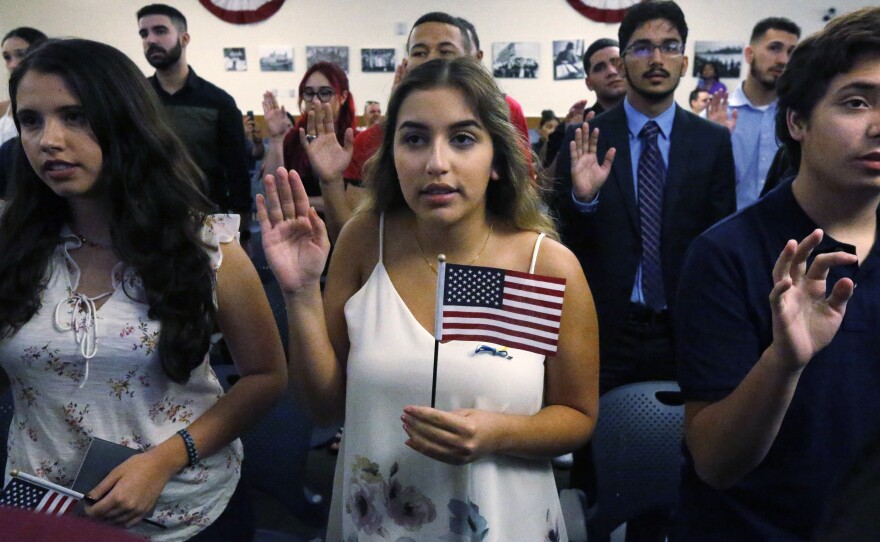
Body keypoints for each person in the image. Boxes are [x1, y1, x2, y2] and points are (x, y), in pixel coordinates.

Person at [259, 57, 598, 541]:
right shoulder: (363, 240)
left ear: (498, 159)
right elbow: (323, 408)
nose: (436, 163)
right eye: (414, 138)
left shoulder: (548, 266)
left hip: (504, 523)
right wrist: (300, 293)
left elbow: (579, 417)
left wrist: (496, 433)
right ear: (391, 153)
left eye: (462, 138)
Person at [0, 39, 287, 541]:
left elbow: (266, 375)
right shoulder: (12, 246)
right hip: (45, 511)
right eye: (31, 120)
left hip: (185, 511)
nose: (49, 140)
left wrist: (163, 461)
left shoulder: (206, 246)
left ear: (124, 121)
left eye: (75, 116)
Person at [674, 7, 880, 540]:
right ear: (798, 121)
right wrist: (783, 362)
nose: (878, 125)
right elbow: (715, 463)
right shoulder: (725, 254)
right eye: (856, 103)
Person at [554, 1, 736, 538]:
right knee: (594, 470)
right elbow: (559, 244)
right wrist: (583, 201)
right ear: (623, 59)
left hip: (683, 332)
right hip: (604, 331)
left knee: (680, 468)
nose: (656, 58)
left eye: (669, 46)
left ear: (685, 60)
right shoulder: (584, 139)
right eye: (642, 47)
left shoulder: (712, 144)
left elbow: (717, 242)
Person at [136, 4, 252, 232]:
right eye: (144, 33)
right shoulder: (136, 98)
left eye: (160, 31)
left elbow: (237, 171)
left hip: (206, 220)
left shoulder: (219, 102)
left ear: (184, 38)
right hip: (145, 220)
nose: (150, 39)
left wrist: (243, 231)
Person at [707, 17, 801, 209]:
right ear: (749, 54)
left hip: (783, 230)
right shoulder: (716, 116)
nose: (784, 60)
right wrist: (713, 143)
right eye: (775, 48)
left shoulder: (799, 120)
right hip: (726, 228)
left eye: (791, 52)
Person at [260, 61, 357, 240]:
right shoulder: (294, 139)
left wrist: (299, 202)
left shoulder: (353, 141)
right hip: (299, 236)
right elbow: (272, 189)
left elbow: (355, 207)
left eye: (325, 92)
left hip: (343, 237)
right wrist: (276, 138)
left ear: (343, 96)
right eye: (309, 93)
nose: (315, 100)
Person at [544, 38, 626, 168]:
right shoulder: (572, 127)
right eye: (599, 68)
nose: (612, 71)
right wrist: (570, 141)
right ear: (589, 83)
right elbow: (544, 184)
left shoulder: (654, 119)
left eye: (617, 63)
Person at [0, 27, 47, 198]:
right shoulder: (3, 108)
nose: (12, 64)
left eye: (21, 54)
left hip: (36, 186)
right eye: (7, 57)